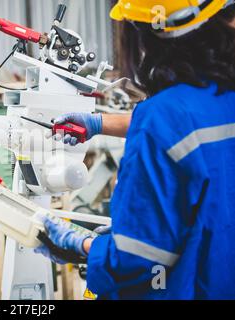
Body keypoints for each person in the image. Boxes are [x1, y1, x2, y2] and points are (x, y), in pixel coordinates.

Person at [34, 0, 235, 299]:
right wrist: (98, 123)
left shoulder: (162, 118)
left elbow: (134, 261)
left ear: (144, 34)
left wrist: (80, 245)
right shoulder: (218, 99)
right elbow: (189, 125)